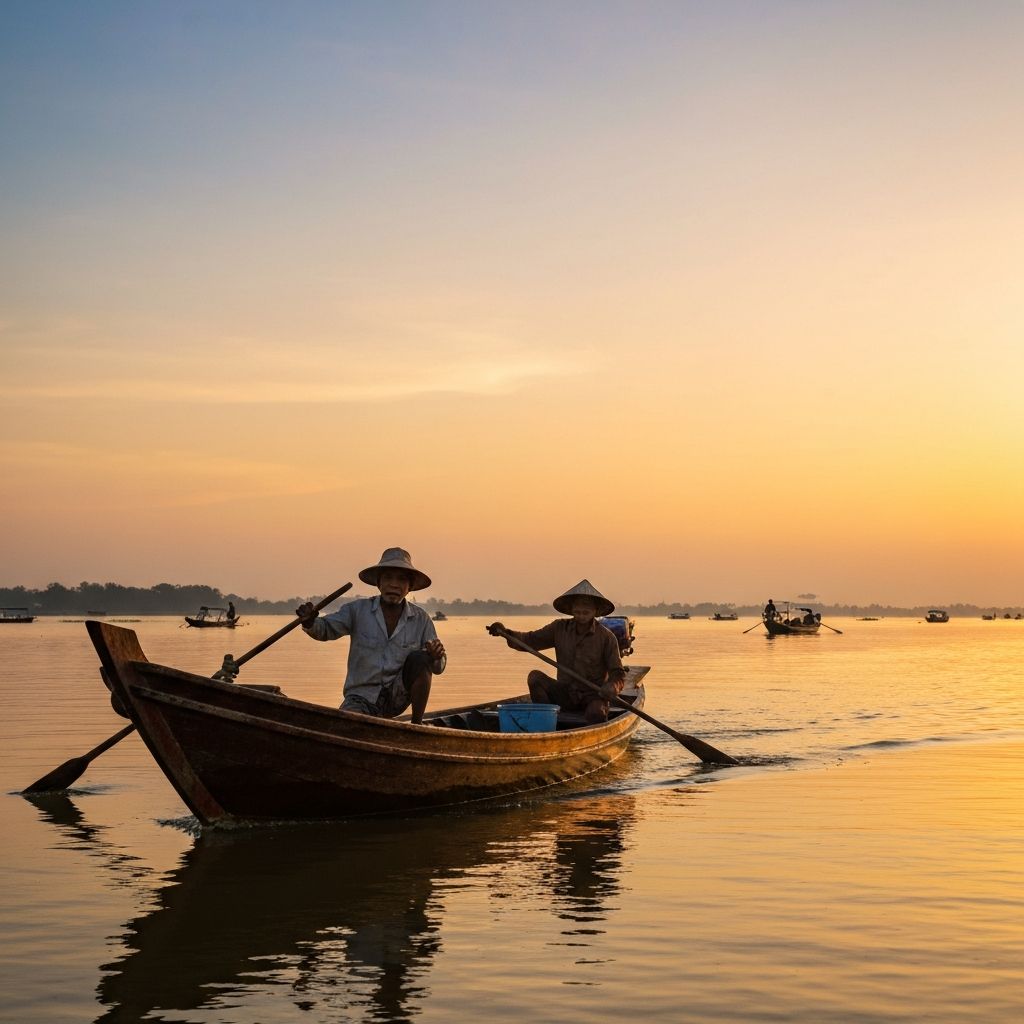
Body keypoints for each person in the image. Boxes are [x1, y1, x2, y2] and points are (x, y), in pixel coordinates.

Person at [295, 547, 446, 724]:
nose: (394, 585)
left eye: (401, 580)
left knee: (421, 658)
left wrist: (436, 657)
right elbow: (325, 628)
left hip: (397, 697)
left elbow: (438, 667)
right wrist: (309, 621)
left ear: (409, 587)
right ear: (378, 583)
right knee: (345, 725)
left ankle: (416, 726)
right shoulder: (357, 610)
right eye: (388, 578)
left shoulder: (421, 619)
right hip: (360, 698)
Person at [487, 580, 625, 724]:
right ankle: (545, 721)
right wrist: (505, 633)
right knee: (535, 678)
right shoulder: (559, 628)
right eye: (577, 612)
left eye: (586, 612)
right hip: (565, 693)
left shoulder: (607, 637)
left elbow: (618, 674)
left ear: (595, 612)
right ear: (572, 610)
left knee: (596, 714)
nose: (581, 616)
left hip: (593, 695)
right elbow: (530, 640)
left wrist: (612, 686)